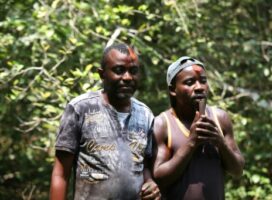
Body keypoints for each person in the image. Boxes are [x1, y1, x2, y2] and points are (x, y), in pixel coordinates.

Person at [50, 43, 160, 200]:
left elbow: (144, 166)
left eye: (133, 71)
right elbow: (60, 174)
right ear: (102, 74)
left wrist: (150, 182)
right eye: (119, 70)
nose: (128, 77)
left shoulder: (146, 115)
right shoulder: (80, 109)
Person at [152, 56, 245, 200]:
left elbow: (237, 170)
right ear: (173, 90)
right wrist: (191, 142)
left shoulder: (220, 118)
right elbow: (159, 178)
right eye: (189, 82)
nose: (199, 87)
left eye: (203, 81)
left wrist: (220, 142)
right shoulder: (163, 124)